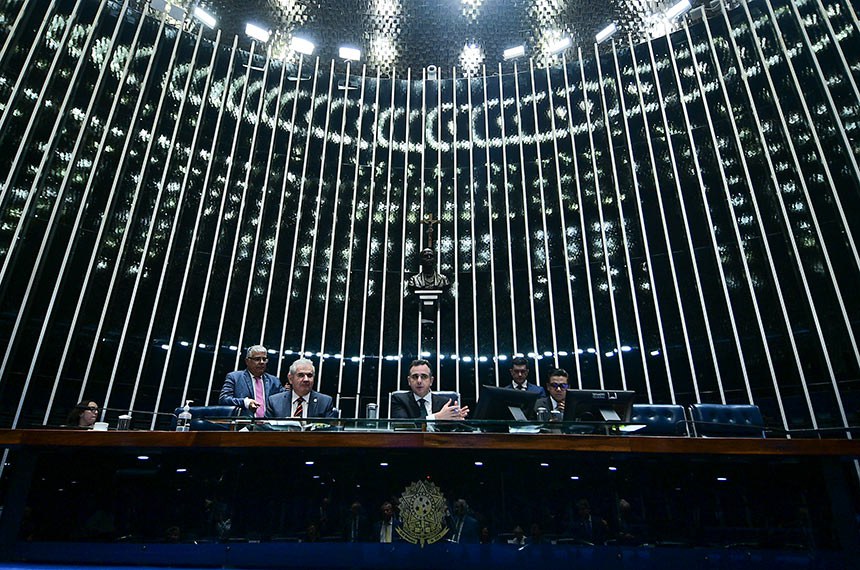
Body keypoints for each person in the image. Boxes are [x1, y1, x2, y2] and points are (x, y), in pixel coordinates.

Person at [390, 359, 469, 420]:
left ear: (431, 381)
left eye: (424, 376)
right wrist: (437, 417)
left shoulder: (446, 403)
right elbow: (401, 426)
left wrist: (457, 421)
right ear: (409, 381)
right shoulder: (399, 399)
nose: (419, 381)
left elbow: (448, 430)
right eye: (415, 377)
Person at [219, 345, 284, 417]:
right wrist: (245, 402)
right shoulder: (235, 377)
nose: (262, 362)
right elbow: (223, 399)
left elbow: (283, 401)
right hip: (243, 425)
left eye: (264, 359)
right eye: (257, 359)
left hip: (269, 426)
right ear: (247, 361)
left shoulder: (274, 381)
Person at [268, 357, 337, 418]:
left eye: (309, 375)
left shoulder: (325, 402)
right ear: (290, 378)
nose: (306, 379)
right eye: (301, 375)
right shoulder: (275, 402)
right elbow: (266, 430)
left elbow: (329, 430)